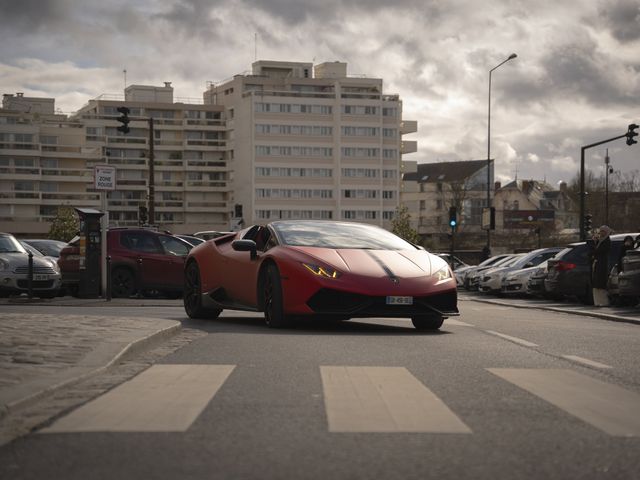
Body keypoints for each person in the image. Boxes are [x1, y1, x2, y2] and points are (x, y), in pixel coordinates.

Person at [590, 225, 611, 307]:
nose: (601, 233)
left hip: (602, 264)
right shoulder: (600, 241)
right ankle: (597, 302)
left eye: (603, 231)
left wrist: (594, 251)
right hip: (597, 263)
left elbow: (601, 251)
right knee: (596, 284)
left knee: (601, 284)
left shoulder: (607, 241)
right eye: (601, 231)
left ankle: (604, 302)